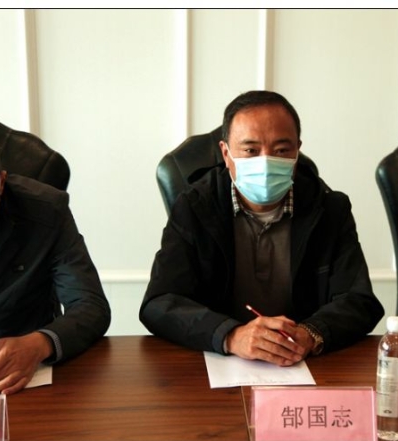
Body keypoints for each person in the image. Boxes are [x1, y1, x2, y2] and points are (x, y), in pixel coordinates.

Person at [140, 90, 384, 365]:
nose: (266, 162)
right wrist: (231, 335)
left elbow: (359, 301)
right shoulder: (194, 207)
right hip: (217, 364)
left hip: (300, 363)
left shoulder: (329, 208)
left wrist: (310, 333)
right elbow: (159, 303)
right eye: (250, 151)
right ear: (226, 153)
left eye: (281, 151)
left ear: (297, 151)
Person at [0, 125, 111, 395]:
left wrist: (41, 343)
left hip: (28, 379)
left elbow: (90, 306)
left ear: (0, 183)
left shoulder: (46, 211)